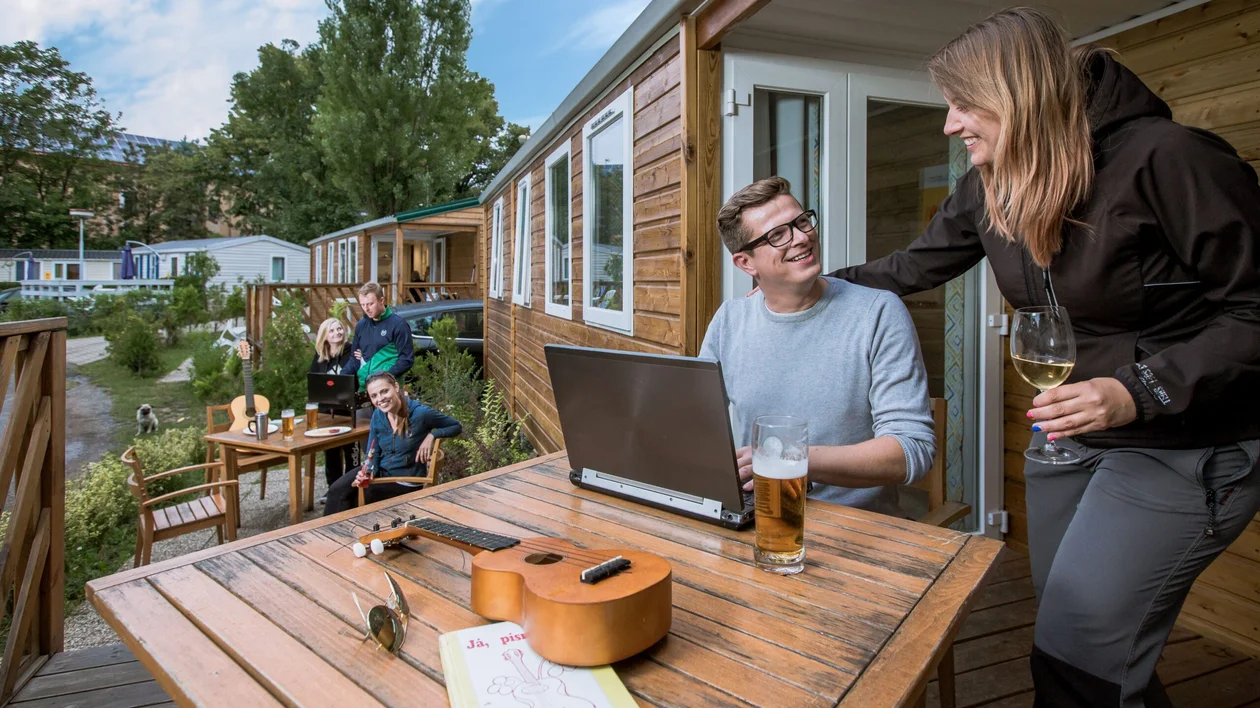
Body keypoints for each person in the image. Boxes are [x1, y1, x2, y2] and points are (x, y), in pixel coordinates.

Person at [826, 8, 1260, 706]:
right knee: (1085, 644)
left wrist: (1137, 389)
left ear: (1016, 94)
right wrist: (808, 286)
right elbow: (912, 266)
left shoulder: (1170, 158)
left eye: (963, 104)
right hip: (1066, 437)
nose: (950, 124)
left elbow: (1252, 310)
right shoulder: (988, 184)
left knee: (1077, 655)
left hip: (1181, 442)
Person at [702, 176, 936, 518]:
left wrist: (792, 458)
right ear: (746, 263)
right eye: (777, 235)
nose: (802, 237)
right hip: (761, 514)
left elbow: (911, 451)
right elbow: (697, 427)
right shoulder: (729, 320)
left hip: (855, 524)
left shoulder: (879, 313)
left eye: (801, 221)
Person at [323, 371, 461, 515]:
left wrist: (432, 435)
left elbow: (456, 426)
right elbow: (373, 451)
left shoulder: (421, 414)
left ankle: (349, 528)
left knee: (356, 497)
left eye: (384, 391)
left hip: (405, 480)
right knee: (336, 490)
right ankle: (331, 529)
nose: (380, 399)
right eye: (374, 396)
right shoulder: (378, 415)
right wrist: (368, 471)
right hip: (382, 474)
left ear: (396, 386)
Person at [310, 318, 356, 504]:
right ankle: (333, 490)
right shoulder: (320, 356)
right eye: (332, 330)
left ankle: (351, 489)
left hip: (349, 410)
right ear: (324, 336)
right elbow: (314, 382)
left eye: (339, 329)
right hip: (327, 412)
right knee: (331, 452)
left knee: (351, 451)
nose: (337, 333)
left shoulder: (351, 351)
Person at [342, 281, 415, 391]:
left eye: (370, 304)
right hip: (364, 388)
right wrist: (340, 378)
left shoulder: (398, 325)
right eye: (363, 305)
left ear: (381, 300)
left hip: (388, 388)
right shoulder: (361, 326)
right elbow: (354, 360)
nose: (366, 309)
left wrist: (382, 378)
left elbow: (406, 360)